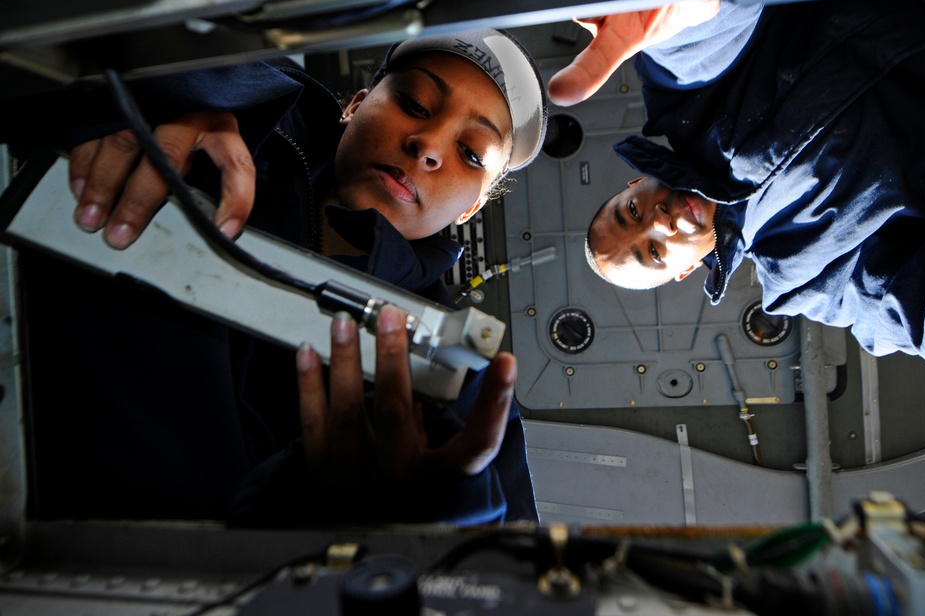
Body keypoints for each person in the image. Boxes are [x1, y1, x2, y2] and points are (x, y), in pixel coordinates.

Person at [2, 28, 547, 524]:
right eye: (414, 103)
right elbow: (55, 45)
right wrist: (162, 97)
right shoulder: (244, 101)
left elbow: (495, 574)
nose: (427, 146)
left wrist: (425, 516)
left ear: (471, 210)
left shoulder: (464, 382)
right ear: (355, 106)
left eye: (471, 153)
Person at [550, 0, 925, 393]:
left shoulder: (689, 103)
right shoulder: (802, 275)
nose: (659, 221)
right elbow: (918, 312)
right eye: (654, 251)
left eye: (632, 212)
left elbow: (700, 41)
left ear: (633, 186)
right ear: (684, 271)